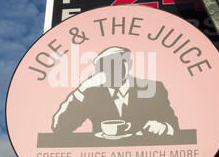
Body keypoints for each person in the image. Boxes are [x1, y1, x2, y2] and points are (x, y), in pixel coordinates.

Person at [51, 46, 180, 136]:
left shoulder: (153, 89)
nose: (114, 69)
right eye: (108, 65)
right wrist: (82, 88)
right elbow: (60, 127)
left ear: (128, 64)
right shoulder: (91, 95)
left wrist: (164, 128)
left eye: (119, 62)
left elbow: (174, 127)